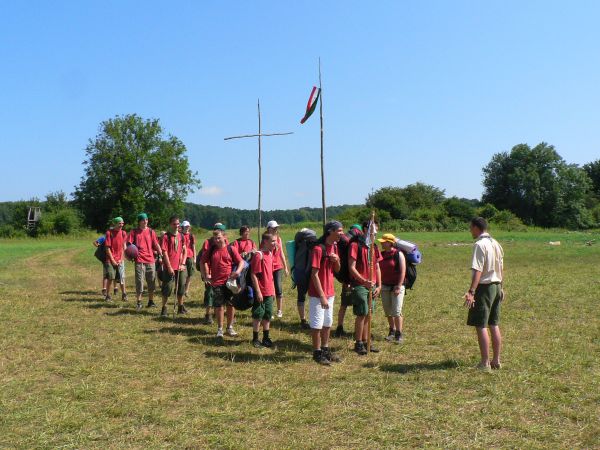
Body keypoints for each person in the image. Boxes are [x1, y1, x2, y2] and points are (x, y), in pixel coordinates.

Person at [463, 217, 505, 371]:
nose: (469, 230)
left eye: (470, 227)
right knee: (493, 324)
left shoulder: (480, 245)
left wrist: (471, 291)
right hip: (496, 286)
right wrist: (501, 287)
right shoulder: (496, 243)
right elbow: (501, 268)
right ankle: (496, 360)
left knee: (481, 325)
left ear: (476, 227)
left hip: (484, 288)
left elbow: (478, 270)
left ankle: (484, 363)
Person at [309, 221, 343, 365]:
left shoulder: (334, 247)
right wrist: (322, 295)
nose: (341, 233)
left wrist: (337, 260)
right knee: (317, 324)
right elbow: (314, 274)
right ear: (330, 231)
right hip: (318, 294)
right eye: (339, 231)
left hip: (330, 291)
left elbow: (337, 270)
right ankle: (317, 353)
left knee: (328, 323)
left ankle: (325, 349)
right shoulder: (318, 249)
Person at [200, 228, 244, 339]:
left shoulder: (231, 249)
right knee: (219, 306)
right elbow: (202, 261)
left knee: (230, 305)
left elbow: (241, 262)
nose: (217, 240)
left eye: (219, 238)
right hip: (216, 283)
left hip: (229, 282)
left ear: (224, 237)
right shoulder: (211, 250)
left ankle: (229, 327)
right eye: (215, 238)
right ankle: (220, 329)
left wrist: (237, 272)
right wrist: (205, 276)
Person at [349, 220, 382, 355]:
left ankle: (367, 341)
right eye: (372, 232)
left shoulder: (374, 247)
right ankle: (358, 343)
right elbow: (351, 267)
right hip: (360, 285)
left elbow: (378, 267)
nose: (374, 234)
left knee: (369, 314)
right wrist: (364, 281)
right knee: (362, 313)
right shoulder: (355, 245)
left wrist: (379, 285)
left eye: (376, 232)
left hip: (372, 285)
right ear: (365, 229)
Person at [128, 213, 163, 310]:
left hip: (150, 260)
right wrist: (129, 255)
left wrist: (161, 254)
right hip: (139, 260)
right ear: (139, 221)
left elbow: (156, 244)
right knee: (139, 281)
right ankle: (139, 302)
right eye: (143, 220)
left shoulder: (151, 231)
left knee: (151, 281)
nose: (145, 221)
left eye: (147, 219)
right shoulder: (134, 232)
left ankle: (151, 301)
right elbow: (128, 245)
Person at [334, 224, 363, 337]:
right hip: (354, 279)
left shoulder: (343, 243)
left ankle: (339, 327)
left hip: (345, 279)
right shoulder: (353, 243)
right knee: (360, 306)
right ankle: (359, 330)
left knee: (344, 305)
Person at [378, 233, 406, 343]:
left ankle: (399, 334)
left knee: (397, 311)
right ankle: (392, 331)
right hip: (384, 286)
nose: (381, 243)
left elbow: (403, 271)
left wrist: (398, 286)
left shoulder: (399, 254)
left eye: (383, 241)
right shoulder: (381, 254)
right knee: (388, 311)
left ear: (390, 243)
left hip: (397, 286)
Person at [249, 232, 276, 348]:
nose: (275, 244)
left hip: (270, 290)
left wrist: (273, 290)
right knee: (258, 314)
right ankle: (255, 339)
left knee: (268, 314)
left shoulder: (270, 254)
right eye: (273, 241)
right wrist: (258, 291)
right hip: (261, 291)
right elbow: (253, 274)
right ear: (265, 242)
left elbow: (271, 275)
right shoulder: (258, 255)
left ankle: (266, 338)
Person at [200, 223, 229, 324]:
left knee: (222, 294)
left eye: (220, 230)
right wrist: (207, 274)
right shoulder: (208, 242)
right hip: (210, 273)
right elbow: (204, 260)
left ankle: (219, 314)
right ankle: (208, 315)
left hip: (221, 274)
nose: (217, 232)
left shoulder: (225, 241)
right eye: (216, 230)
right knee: (209, 294)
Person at [159, 216, 187, 317]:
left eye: (178, 224)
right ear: (170, 224)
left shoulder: (181, 236)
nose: (176, 226)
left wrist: (183, 263)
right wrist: (169, 267)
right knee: (167, 289)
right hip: (169, 267)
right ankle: (164, 309)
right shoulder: (166, 237)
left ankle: (180, 307)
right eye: (174, 224)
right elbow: (164, 253)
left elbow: (185, 251)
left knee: (181, 288)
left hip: (180, 267)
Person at [266, 220, 289, 318]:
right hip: (268, 267)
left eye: (276, 228)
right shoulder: (265, 239)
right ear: (269, 228)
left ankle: (279, 310)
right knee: (270, 290)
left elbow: (282, 253)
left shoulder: (278, 239)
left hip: (278, 267)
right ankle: (269, 310)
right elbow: (263, 253)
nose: (276, 229)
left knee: (278, 288)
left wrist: (286, 267)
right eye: (274, 228)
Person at [104, 217, 128, 302]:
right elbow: (107, 248)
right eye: (119, 223)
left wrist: (121, 259)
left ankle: (124, 294)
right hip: (110, 259)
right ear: (115, 224)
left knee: (122, 277)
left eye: (122, 223)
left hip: (120, 259)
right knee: (110, 278)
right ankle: (107, 295)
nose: (121, 225)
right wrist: (113, 260)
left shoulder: (124, 233)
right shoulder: (109, 233)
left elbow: (123, 247)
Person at [181, 221, 196, 297]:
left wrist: (195, 258)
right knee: (181, 274)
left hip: (190, 256)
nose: (187, 227)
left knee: (189, 274)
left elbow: (193, 247)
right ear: (183, 227)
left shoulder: (191, 235)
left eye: (188, 226)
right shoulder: (180, 235)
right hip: (181, 257)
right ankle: (180, 289)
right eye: (186, 226)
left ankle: (186, 290)